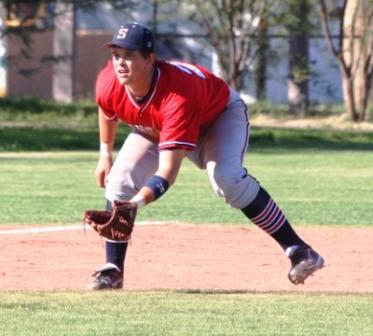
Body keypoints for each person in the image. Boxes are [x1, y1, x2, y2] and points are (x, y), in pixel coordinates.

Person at [88, 22, 325, 290]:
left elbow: (167, 172)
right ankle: (113, 270)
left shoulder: (177, 96)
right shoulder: (110, 80)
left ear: (150, 59)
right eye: (116, 54)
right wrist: (105, 154)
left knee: (227, 178)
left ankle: (299, 250)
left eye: (130, 55)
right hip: (158, 125)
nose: (120, 63)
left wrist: (135, 205)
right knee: (119, 179)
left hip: (217, 116)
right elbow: (107, 110)